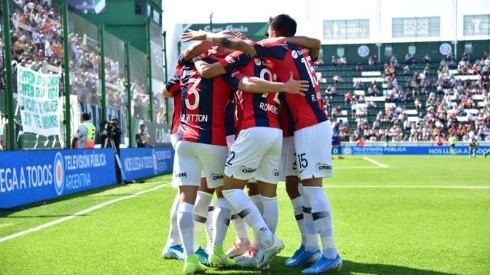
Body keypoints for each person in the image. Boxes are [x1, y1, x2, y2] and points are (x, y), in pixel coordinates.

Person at [182, 14, 343, 273]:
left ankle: (324, 252)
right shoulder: (292, 49)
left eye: (269, 33)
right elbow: (315, 42)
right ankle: (304, 248)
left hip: (293, 125)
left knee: (237, 188)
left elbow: (233, 67)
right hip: (283, 130)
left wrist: (204, 40)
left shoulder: (264, 49)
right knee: (286, 189)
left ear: (272, 32)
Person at [169, 40, 307, 274]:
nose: (214, 48)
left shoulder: (189, 68)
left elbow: (180, 80)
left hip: (190, 137)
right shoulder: (264, 64)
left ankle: (191, 257)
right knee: (255, 196)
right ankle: (236, 249)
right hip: (254, 133)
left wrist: (203, 49)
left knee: (196, 197)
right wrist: (284, 86)